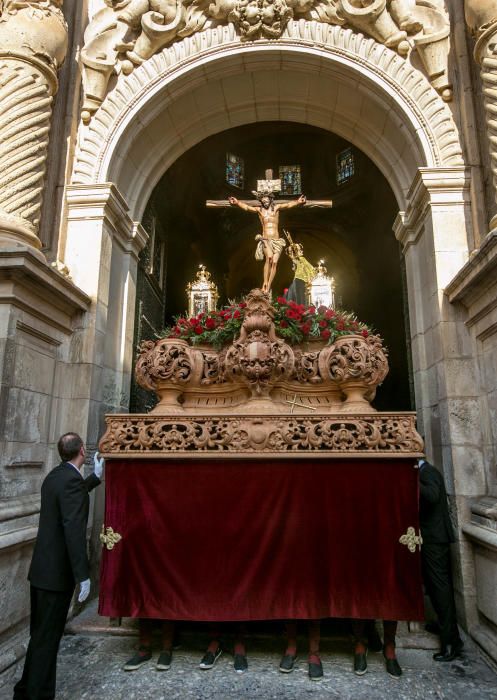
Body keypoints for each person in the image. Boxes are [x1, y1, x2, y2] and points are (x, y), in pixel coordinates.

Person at [13, 433, 103, 700]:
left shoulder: (55, 476)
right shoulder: (71, 482)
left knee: (39, 636)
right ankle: (37, 695)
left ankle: (24, 689)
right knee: (48, 640)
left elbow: (69, 498)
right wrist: (83, 575)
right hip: (56, 578)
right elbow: (73, 530)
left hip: (41, 573)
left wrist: (93, 479)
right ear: (82, 454)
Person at [418, 455, 463, 661]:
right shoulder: (427, 472)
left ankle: (451, 642)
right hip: (432, 538)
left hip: (435, 540)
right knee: (435, 587)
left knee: (440, 589)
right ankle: (444, 627)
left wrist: (411, 481)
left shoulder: (426, 472)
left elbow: (432, 496)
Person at [229, 192, 306, 293]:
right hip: (266, 239)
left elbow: (287, 205)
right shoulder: (259, 210)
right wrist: (237, 202)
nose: (265, 203)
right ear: (261, 201)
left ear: (270, 200)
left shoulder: (276, 208)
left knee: (274, 262)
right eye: (263, 201)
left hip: (277, 241)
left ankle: (268, 285)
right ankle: (264, 283)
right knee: (269, 258)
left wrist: (298, 202)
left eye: (266, 200)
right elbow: (247, 208)